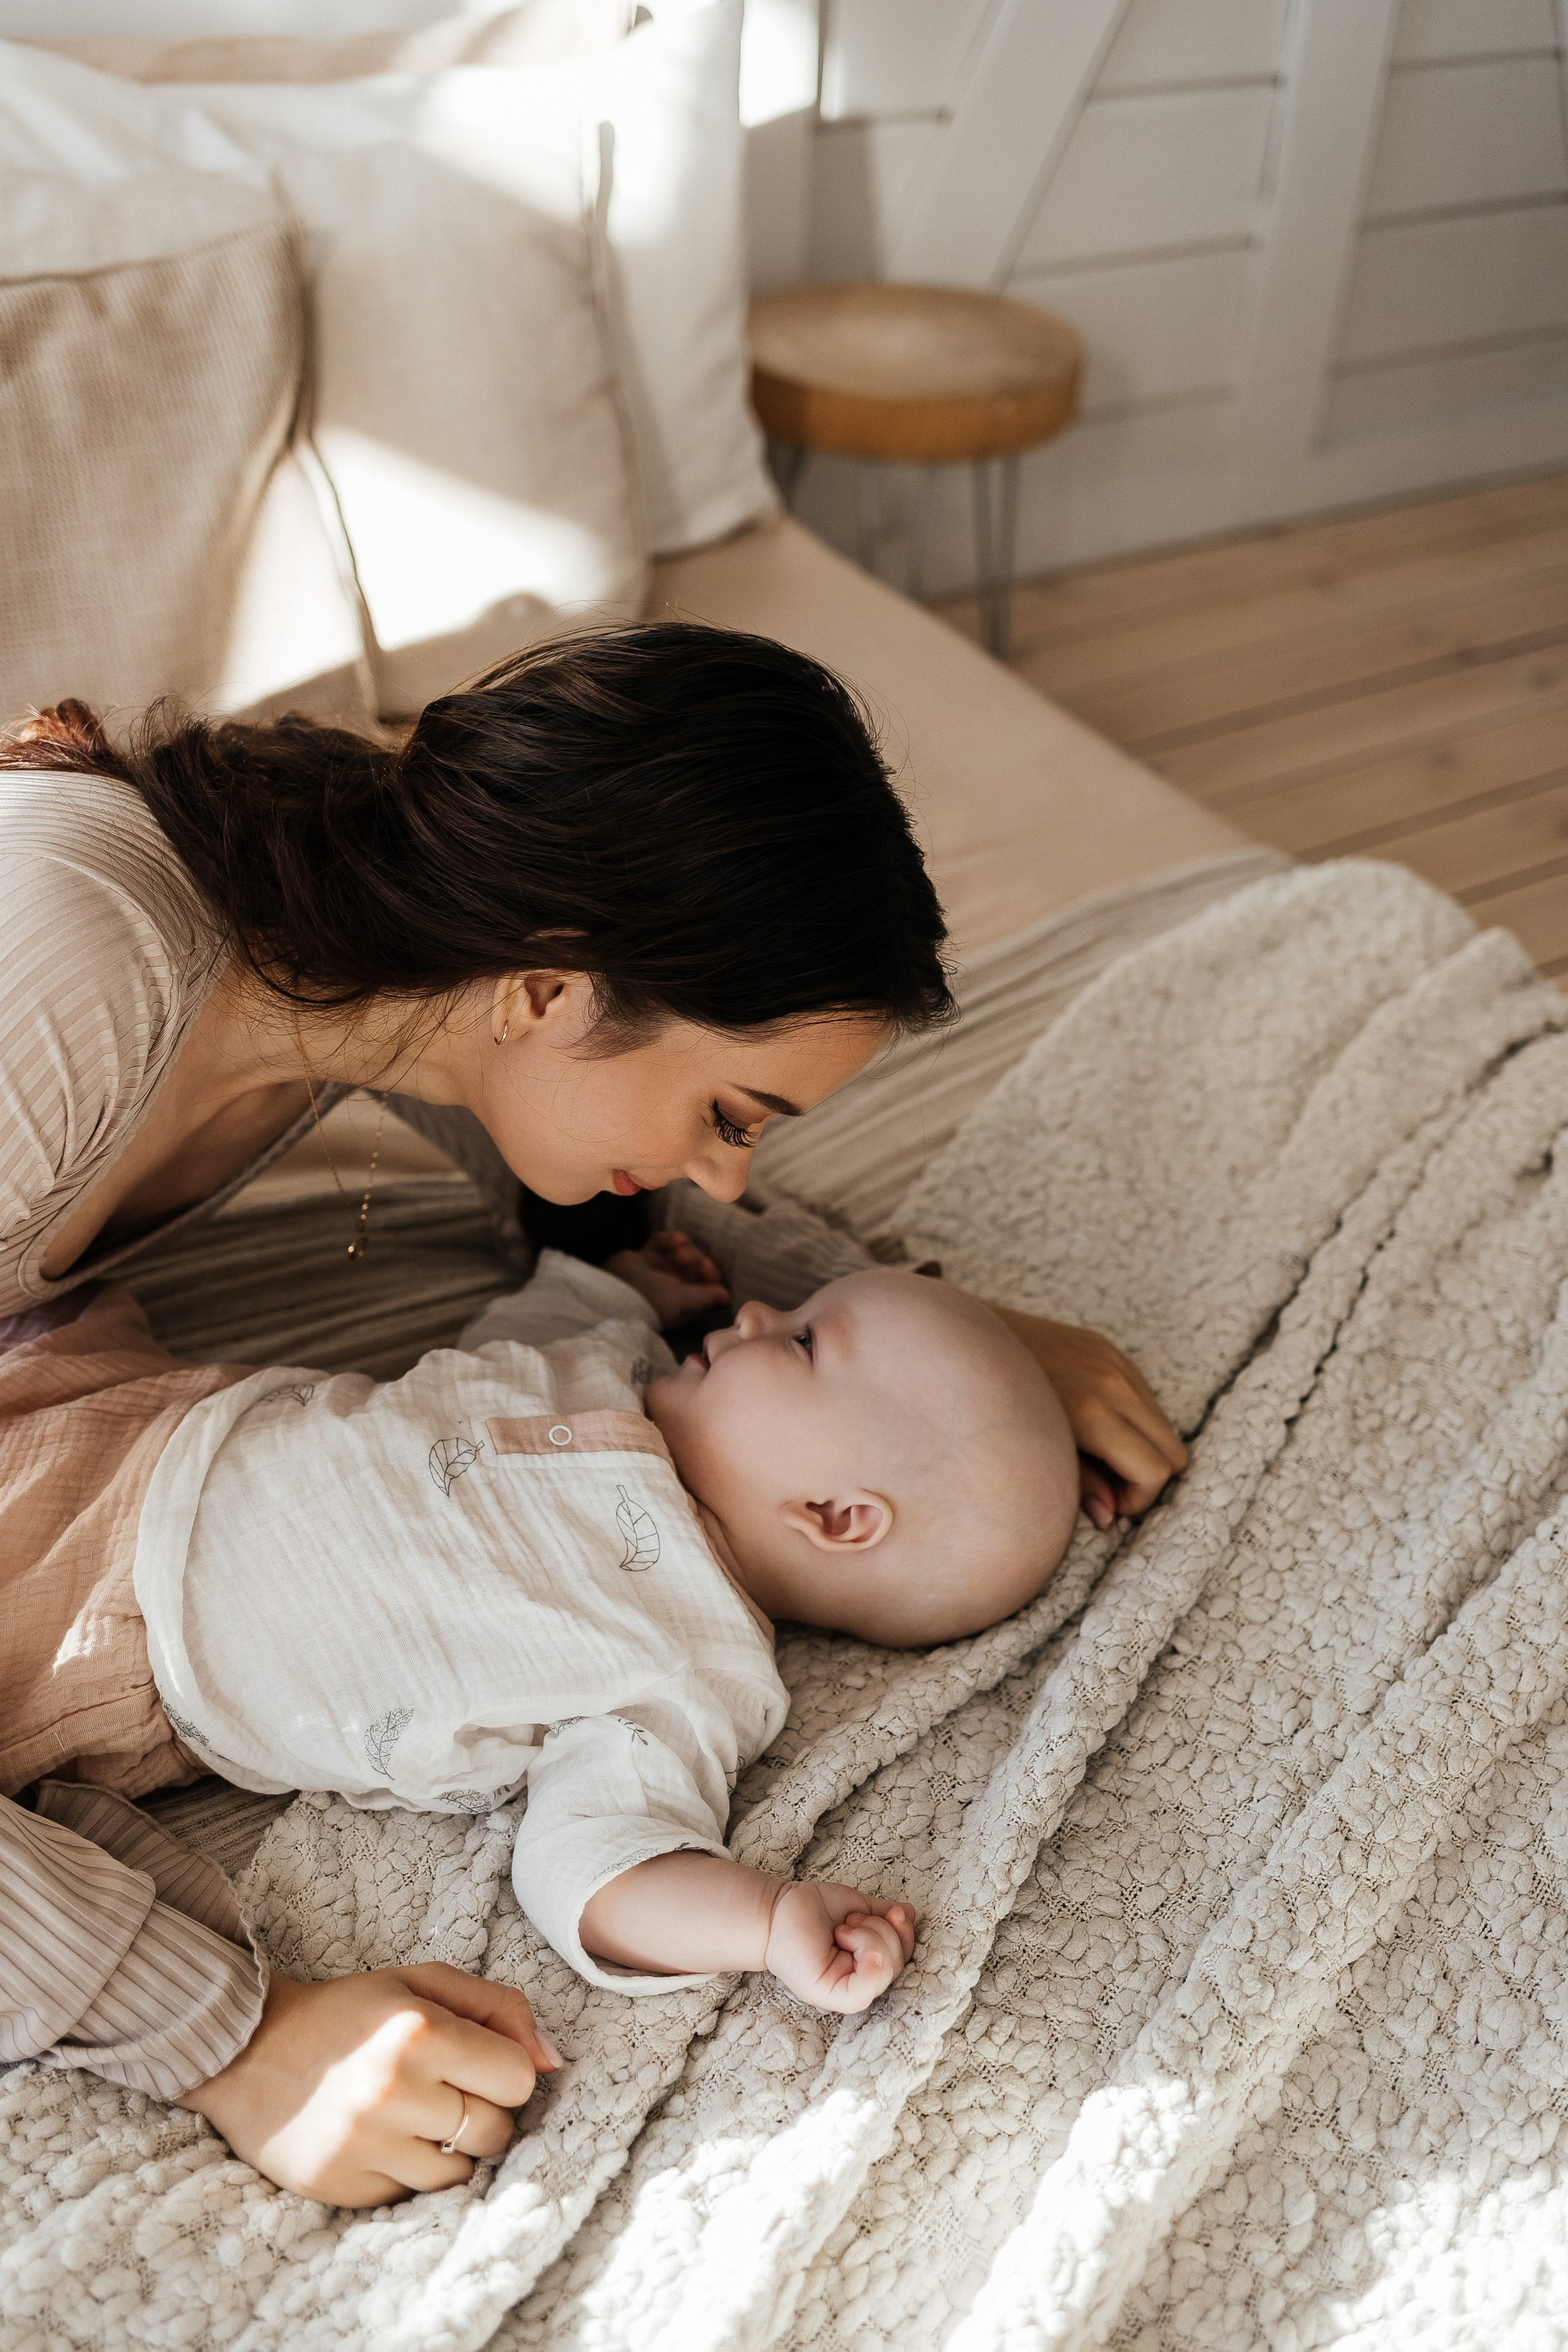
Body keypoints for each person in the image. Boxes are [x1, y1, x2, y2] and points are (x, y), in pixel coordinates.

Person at [0, 622, 1186, 2204]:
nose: (730, 1173)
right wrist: (236, 2039)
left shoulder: (390, 943)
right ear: (551, 987)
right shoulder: (76, 966)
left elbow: (631, 1234)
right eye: (727, 1114)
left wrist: (947, 1347)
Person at [5, 1238, 1079, 2040]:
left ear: (837, 1517)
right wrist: (630, 1286)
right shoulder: (624, 1362)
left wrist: (764, 1923)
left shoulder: (689, 1671)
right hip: (148, 1411)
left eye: (801, 1338)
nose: (754, 1309)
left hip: (113, 1639)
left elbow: (596, 1861)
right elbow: (514, 1337)